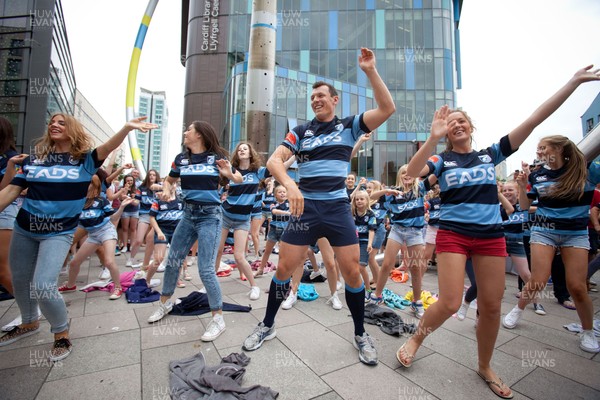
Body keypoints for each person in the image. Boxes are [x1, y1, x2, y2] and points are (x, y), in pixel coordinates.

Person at [397, 65, 600, 399]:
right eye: (451, 122)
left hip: (490, 237)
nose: (457, 124)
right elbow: (412, 173)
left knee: (491, 307)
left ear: (471, 127)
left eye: (462, 120)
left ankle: (485, 365)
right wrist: (433, 136)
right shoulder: (441, 159)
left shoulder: (488, 155)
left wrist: (574, 83)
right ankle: (417, 337)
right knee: (448, 301)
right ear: (446, 130)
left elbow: (534, 119)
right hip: (453, 235)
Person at [241, 47, 395, 366]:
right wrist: (292, 184)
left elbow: (387, 108)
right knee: (283, 269)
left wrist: (370, 71)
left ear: (334, 100)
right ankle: (267, 325)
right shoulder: (300, 132)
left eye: (322, 96)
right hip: (305, 210)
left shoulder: (350, 126)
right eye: (313, 97)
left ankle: (359, 333)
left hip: (338, 210)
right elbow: (274, 161)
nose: (316, 100)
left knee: (352, 271)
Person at [0, 113, 157, 361]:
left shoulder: (85, 161)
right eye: (51, 121)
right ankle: (29, 322)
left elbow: (107, 147)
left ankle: (61, 333)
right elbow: (10, 190)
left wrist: (126, 128)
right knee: (20, 281)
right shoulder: (34, 161)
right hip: (24, 229)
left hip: (58, 233)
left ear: (72, 129)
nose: (54, 124)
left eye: (62, 122)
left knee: (42, 284)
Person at [146, 121, 242, 345]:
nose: (185, 132)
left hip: (210, 216)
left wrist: (229, 173)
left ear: (199, 134)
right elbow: (169, 180)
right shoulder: (181, 159)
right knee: (173, 260)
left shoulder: (216, 156)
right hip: (188, 215)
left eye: (189, 129)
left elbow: (238, 178)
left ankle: (218, 318)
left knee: (206, 269)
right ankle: (165, 303)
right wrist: (167, 191)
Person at [503, 135, 600, 353]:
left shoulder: (587, 170)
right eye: (538, 148)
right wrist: (521, 185)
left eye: (543, 147)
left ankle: (588, 331)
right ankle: (517, 311)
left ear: (559, 149)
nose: (538, 152)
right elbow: (525, 206)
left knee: (577, 286)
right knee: (537, 279)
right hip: (544, 231)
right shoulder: (538, 175)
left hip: (575, 234)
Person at [58, 175, 133, 299]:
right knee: (74, 262)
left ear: (95, 186)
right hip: (93, 235)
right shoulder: (79, 202)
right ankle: (70, 285)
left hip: (107, 232)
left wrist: (122, 207)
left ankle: (118, 287)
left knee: (109, 261)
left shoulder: (101, 200)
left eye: (88, 183)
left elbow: (113, 217)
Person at [213, 142, 270, 299]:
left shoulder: (258, 172)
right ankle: (209, 286)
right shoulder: (231, 169)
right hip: (225, 215)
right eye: (239, 149)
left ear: (251, 153)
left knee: (239, 256)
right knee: (217, 251)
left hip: (243, 219)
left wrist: (293, 156)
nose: (242, 150)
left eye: (245, 149)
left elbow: (279, 167)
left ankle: (254, 286)